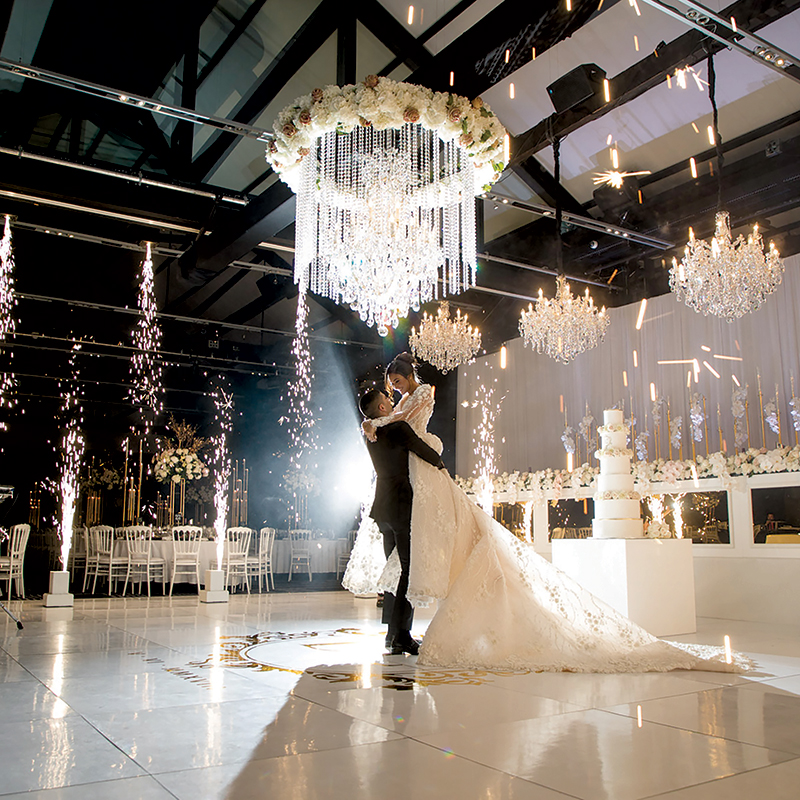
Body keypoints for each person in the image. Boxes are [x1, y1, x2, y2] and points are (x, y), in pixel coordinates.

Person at [351, 352, 752, 673]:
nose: (395, 392)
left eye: (397, 384)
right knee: (408, 562)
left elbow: (404, 427)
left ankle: (403, 632)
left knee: (414, 560)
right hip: (417, 487)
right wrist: (388, 427)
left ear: (407, 378)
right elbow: (407, 435)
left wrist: (380, 423)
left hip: (424, 484)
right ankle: (399, 633)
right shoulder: (390, 418)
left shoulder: (417, 399)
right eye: (389, 391)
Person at [358, 387, 446, 655]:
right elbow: (427, 452)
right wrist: (441, 467)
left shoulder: (371, 432)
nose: (391, 399)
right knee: (408, 570)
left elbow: (370, 422)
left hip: (382, 508)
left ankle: (391, 633)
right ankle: (402, 636)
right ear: (382, 408)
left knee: (395, 571)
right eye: (387, 399)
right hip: (401, 506)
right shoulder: (399, 429)